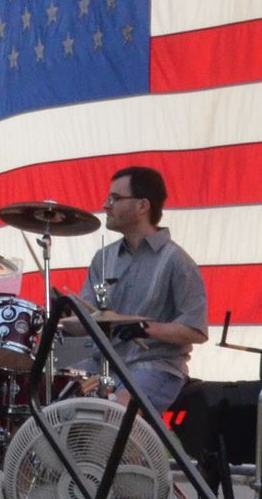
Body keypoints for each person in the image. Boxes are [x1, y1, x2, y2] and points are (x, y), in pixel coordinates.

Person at [77, 164, 207, 411]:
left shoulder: (177, 261)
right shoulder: (102, 259)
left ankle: (132, 450)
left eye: (115, 198)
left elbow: (196, 330)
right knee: (55, 393)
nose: (106, 205)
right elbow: (86, 318)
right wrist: (59, 316)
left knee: (119, 409)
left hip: (155, 366)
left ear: (142, 206)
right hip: (103, 365)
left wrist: (146, 328)